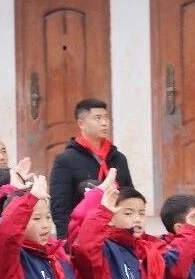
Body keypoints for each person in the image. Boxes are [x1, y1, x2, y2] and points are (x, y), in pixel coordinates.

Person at [48, 99, 134, 239]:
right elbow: (60, 206)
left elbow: (129, 197)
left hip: (117, 232)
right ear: (81, 123)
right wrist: (65, 241)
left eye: (106, 117)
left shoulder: (118, 158)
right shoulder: (66, 160)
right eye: (97, 118)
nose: (104, 123)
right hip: (84, 234)